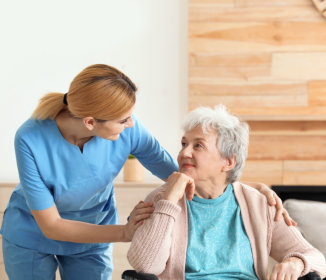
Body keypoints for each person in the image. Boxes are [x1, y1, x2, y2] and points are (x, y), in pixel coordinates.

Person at [1, 64, 287, 280]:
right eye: (123, 119)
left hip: (95, 233)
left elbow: (184, 171)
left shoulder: (129, 129)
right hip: (32, 235)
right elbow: (51, 225)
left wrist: (244, 187)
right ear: (90, 122)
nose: (131, 124)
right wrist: (125, 232)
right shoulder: (29, 138)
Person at [128, 105, 326, 280]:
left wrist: (296, 262)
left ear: (228, 162)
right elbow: (145, 265)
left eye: (198, 145)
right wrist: (169, 200)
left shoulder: (258, 204)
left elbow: (316, 258)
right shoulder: (162, 199)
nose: (184, 153)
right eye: (183, 144)